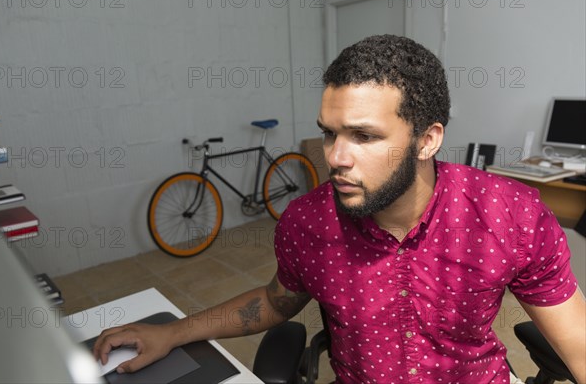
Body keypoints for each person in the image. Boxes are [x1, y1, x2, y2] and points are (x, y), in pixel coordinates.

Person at [93, 35, 586, 384]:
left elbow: (578, 344)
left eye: (364, 136)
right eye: (330, 132)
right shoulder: (308, 222)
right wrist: (172, 333)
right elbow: (275, 302)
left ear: (428, 140)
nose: (334, 156)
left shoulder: (510, 215)